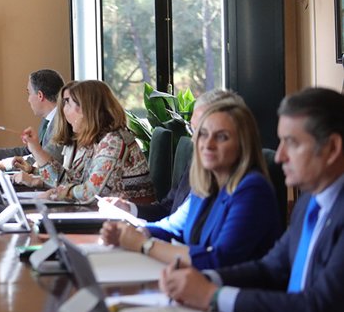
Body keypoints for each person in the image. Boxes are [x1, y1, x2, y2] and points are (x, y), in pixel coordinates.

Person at [160, 88, 344, 312]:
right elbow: (270, 269)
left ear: (332, 148)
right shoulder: (309, 202)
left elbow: (318, 309)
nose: (279, 156)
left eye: (292, 143)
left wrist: (213, 296)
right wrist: (206, 279)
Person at [101, 100, 281, 269]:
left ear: (244, 144)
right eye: (202, 134)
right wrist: (137, 232)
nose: (207, 144)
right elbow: (172, 227)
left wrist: (145, 245)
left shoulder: (253, 190)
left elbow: (219, 259)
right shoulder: (207, 182)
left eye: (222, 137)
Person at [101, 89, 246, 222]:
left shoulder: (246, 190)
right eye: (195, 130)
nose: (202, 142)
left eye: (220, 136)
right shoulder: (198, 165)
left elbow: (206, 247)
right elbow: (170, 210)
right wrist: (128, 209)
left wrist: (146, 243)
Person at [14, 80, 154, 203]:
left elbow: (91, 193)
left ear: (86, 108)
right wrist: (35, 149)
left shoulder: (114, 141)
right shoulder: (97, 140)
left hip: (129, 220)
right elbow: (70, 180)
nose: (63, 112)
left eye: (67, 103)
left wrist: (57, 193)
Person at [0, 69, 65, 171]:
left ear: (40, 95)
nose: (28, 100)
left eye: (29, 93)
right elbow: (28, 151)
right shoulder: (47, 121)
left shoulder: (62, 124)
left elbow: (41, 160)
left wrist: (0, 165)